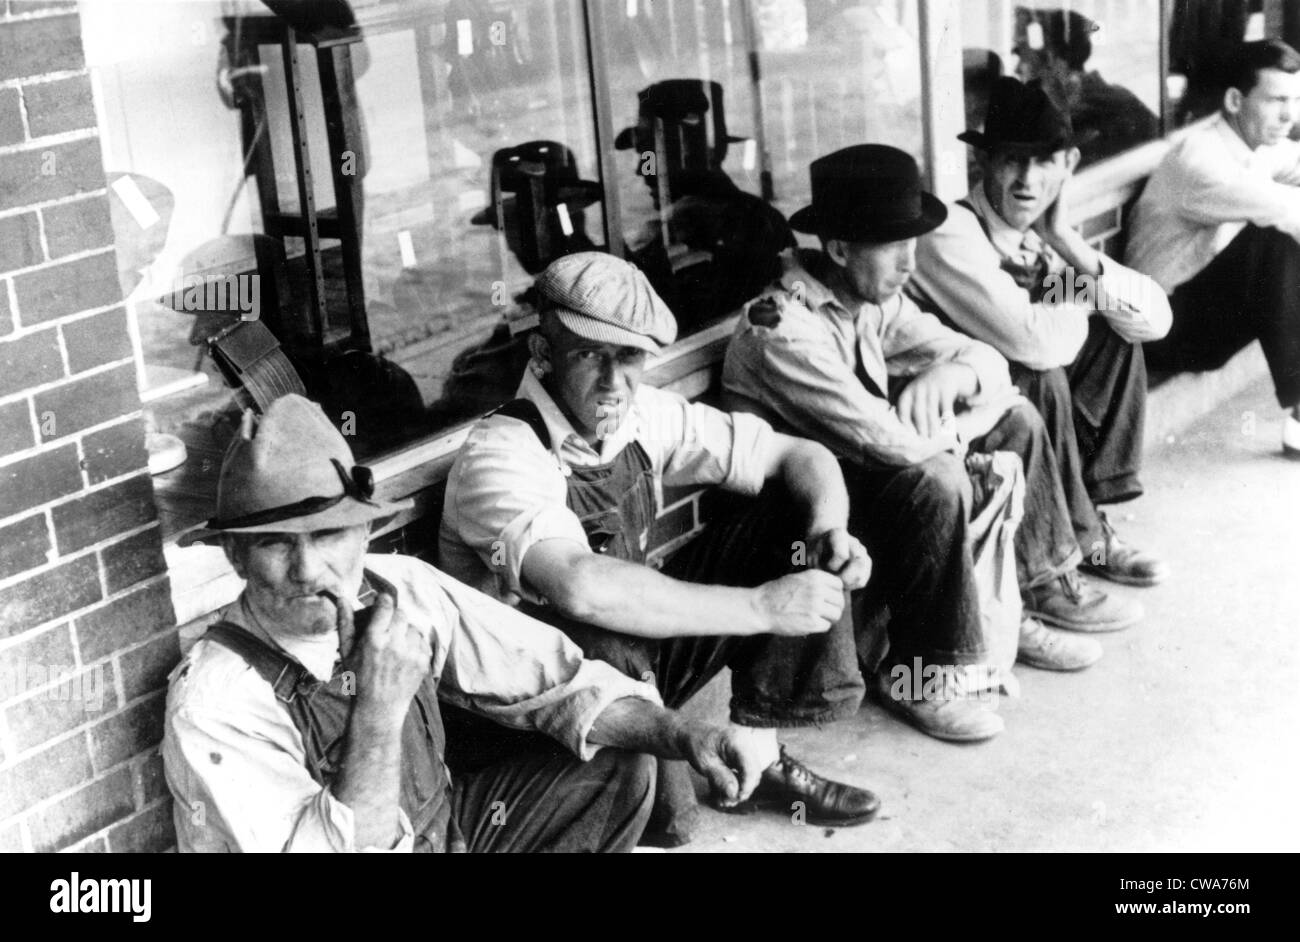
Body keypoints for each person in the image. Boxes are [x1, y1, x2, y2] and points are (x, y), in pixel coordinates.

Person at [163, 394, 778, 853]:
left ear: (363, 531)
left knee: (618, 764)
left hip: (441, 835)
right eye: (275, 544)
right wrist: (378, 709)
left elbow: (553, 680)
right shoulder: (219, 698)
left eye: (328, 535)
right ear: (235, 556)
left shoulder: (397, 588)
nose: (308, 568)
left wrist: (686, 736)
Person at [438, 251, 878, 846]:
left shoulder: (638, 415)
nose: (613, 382)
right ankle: (658, 822)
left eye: (630, 358)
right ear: (542, 354)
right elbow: (581, 587)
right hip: (524, 702)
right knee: (601, 632)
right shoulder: (502, 451)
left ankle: (758, 746)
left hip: (626, 654)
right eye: (590, 355)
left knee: (781, 517)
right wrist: (761, 608)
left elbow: (799, 455)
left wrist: (831, 531)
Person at [722, 144, 1118, 744]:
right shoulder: (780, 327)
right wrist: (968, 424)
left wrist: (954, 377)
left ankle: (1029, 596)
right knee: (938, 476)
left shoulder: (868, 300)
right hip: (797, 515)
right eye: (894, 245)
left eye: (914, 242)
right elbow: (889, 442)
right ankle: (922, 677)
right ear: (838, 249)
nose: (912, 262)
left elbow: (983, 357)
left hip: (859, 477)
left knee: (1019, 422)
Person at [910, 76, 1172, 591]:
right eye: (1012, 159)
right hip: (958, 418)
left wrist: (1066, 242)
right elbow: (1039, 343)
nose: (1027, 180)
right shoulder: (953, 232)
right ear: (984, 162)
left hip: (1021, 404)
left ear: (1068, 167)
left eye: (1045, 161)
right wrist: (1072, 293)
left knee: (1118, 339)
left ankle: (1090, 525)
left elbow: (1155, 320)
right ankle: (1064, 553)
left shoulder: (1043, 236)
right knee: (1045, 369)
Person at [1126, 39, 1300, 459]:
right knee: (1275, 243)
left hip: (1201, 311)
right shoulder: (1201, 161)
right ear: (1235, 100)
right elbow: (1290, 211)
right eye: (1276, 100)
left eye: (1296, 99)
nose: (1289, 115)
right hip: (1161, 327)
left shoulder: (1253, 144)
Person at [616, 79, 797, 332]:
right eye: (644, 155)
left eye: (649, 152)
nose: (642, 169)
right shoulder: (760, 219)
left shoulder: (741, 226)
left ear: (685, 150)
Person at [1011, 7, 1159, 167]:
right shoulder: (1121, 99)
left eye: (1022, 53)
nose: (1017, 68)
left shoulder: (1082, 120)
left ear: (1053, 58)